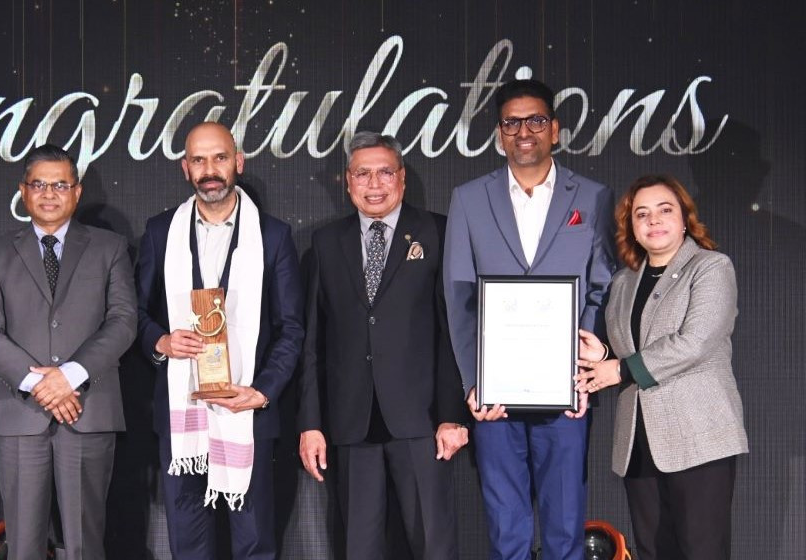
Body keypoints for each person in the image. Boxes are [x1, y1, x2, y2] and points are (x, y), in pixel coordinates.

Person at [442, 79, 615, 560]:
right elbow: (459, 296)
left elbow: (602, 285)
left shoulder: (593, 197)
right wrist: (475, 382)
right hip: (496, 394)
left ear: (554, 130)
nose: (524, 131)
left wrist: (585, 370)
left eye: (536, 120)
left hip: (564, 389)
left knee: (565, 526)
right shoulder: (469, 199)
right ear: (499, 133)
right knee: (507, 529)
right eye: (512, 122)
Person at [134, 122, 304, 559]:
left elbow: (291, 328)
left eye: (220, 158)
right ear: (185, 167)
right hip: (182, 416)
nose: (209, 169)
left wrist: (262, 391)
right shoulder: (160, 231)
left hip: (248, 411)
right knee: (188, 544)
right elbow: (133, 313)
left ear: (238, 162)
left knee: (253, 542)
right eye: (199, 160)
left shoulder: (273, 236)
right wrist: (161, 342)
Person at [297, 132, 470, 559]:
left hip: (422, 422)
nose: (374, 184)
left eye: (385, 172)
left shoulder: (437, 231)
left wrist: (451, 415)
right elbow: (314, 341)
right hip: (351, 422)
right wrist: (311, 423)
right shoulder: (326, 242)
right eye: (363, 174)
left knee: (434, 545)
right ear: (348, 182)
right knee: (359, 548)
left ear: (402, 178)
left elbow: (453, 332)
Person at [0, 145, 137, 560]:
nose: (49, 194)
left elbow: (122, 322)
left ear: (77, 192)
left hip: (87, 408)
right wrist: (40, 385)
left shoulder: (110, 247)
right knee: (22, 544)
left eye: (60, 185)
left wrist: (70, 376)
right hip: (20, 413)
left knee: (85, 543)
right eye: (39, 184)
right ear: (23, 191)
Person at [575, 175, 747, 560]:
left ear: (685, 218)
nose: (653, 220)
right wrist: (603, 354)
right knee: (653, 551)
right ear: (632, 227)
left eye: (665, 210)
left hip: (698, 437)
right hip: (638, 441)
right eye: (642, 214)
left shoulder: (711, 267)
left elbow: (695, 341)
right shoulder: (623, 282)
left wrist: (619, 370)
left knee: (702, 551)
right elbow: (631, 348)